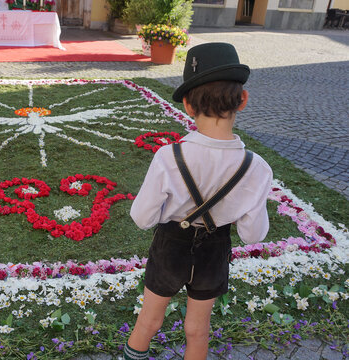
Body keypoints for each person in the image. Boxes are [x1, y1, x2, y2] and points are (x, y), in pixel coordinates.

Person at [124, 42, 273, 360]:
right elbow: (253, 234)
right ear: (243, 100)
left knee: (148, 321)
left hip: (170, 246)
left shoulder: (169, 157)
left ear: (188, 105)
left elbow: (142, 217)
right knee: (197, 329)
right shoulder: (257, 168)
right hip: (214, 251)